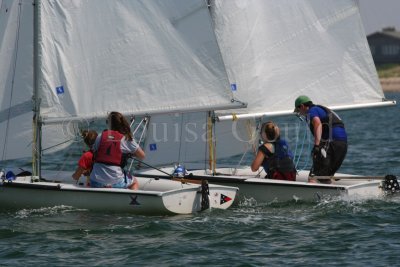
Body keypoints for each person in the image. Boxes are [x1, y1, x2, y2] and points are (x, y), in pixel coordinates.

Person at [294, 95, 347, 183]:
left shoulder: (312, 111)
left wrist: (317, 146)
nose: (300, 113)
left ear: (302, 106)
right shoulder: (321, 109)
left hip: (331, 143)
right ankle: (332, 196)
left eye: (298, 110)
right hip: (342, 145)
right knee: (324, 176)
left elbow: (317, 123)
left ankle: (310, 195)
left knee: (313, 176)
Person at [90, 111, 145, 190]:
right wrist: (130, 154)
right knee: (134, 181)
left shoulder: (100, 136)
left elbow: (95, 153)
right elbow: (142, 156)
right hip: (115, 182)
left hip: (95, 181)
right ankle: (132, 201)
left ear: (110, 124)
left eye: (107, 122)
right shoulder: (126, 139)